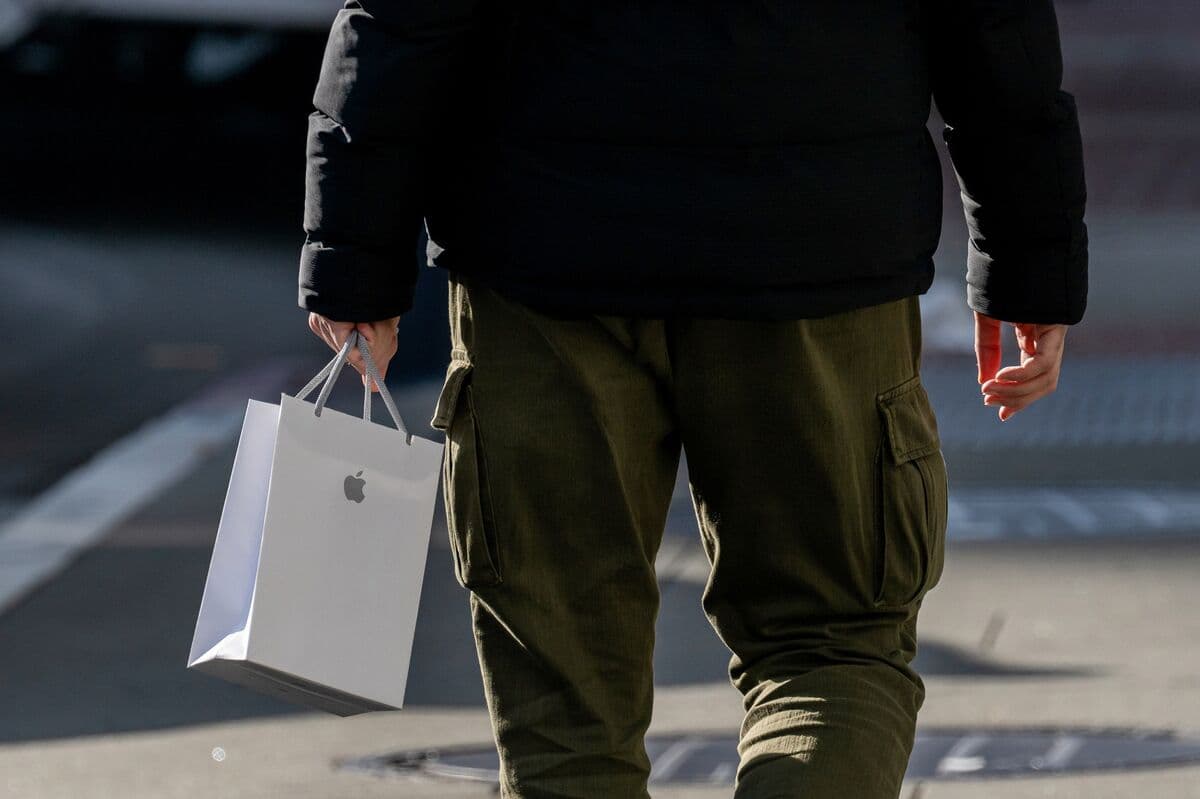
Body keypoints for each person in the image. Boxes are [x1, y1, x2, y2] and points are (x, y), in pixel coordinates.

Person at [299, 1, 1087, 796]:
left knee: (563, 697)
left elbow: (402, 16)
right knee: (831, 648)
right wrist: (1029, 260)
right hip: (814, 258)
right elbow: (993, 22)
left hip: (546, 253)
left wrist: (353, 257)